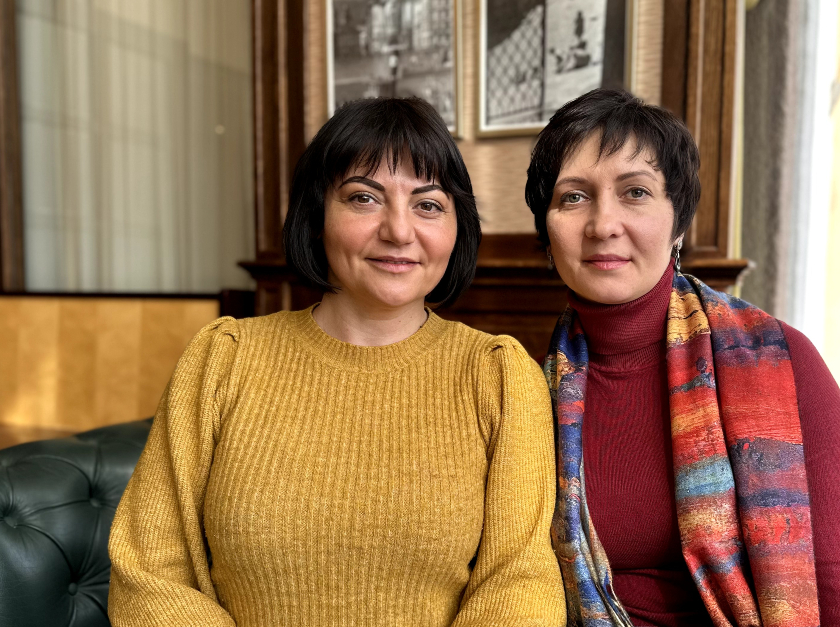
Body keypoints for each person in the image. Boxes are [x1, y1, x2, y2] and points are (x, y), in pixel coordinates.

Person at [108, 97, 565, 626]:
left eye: (428, 204)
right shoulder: (222, 358)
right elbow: (149, 570)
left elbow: (520, 581)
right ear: (316, 214)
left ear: (455, 227)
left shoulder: (500, 375)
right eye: (364, 198)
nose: (399, 230)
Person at [525, 89, 840, 627]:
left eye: (635, 192)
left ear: (679, 223)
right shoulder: (528, 390)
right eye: (573, 197)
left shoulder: (784, 364)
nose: (602, 224)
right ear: (548, 234)